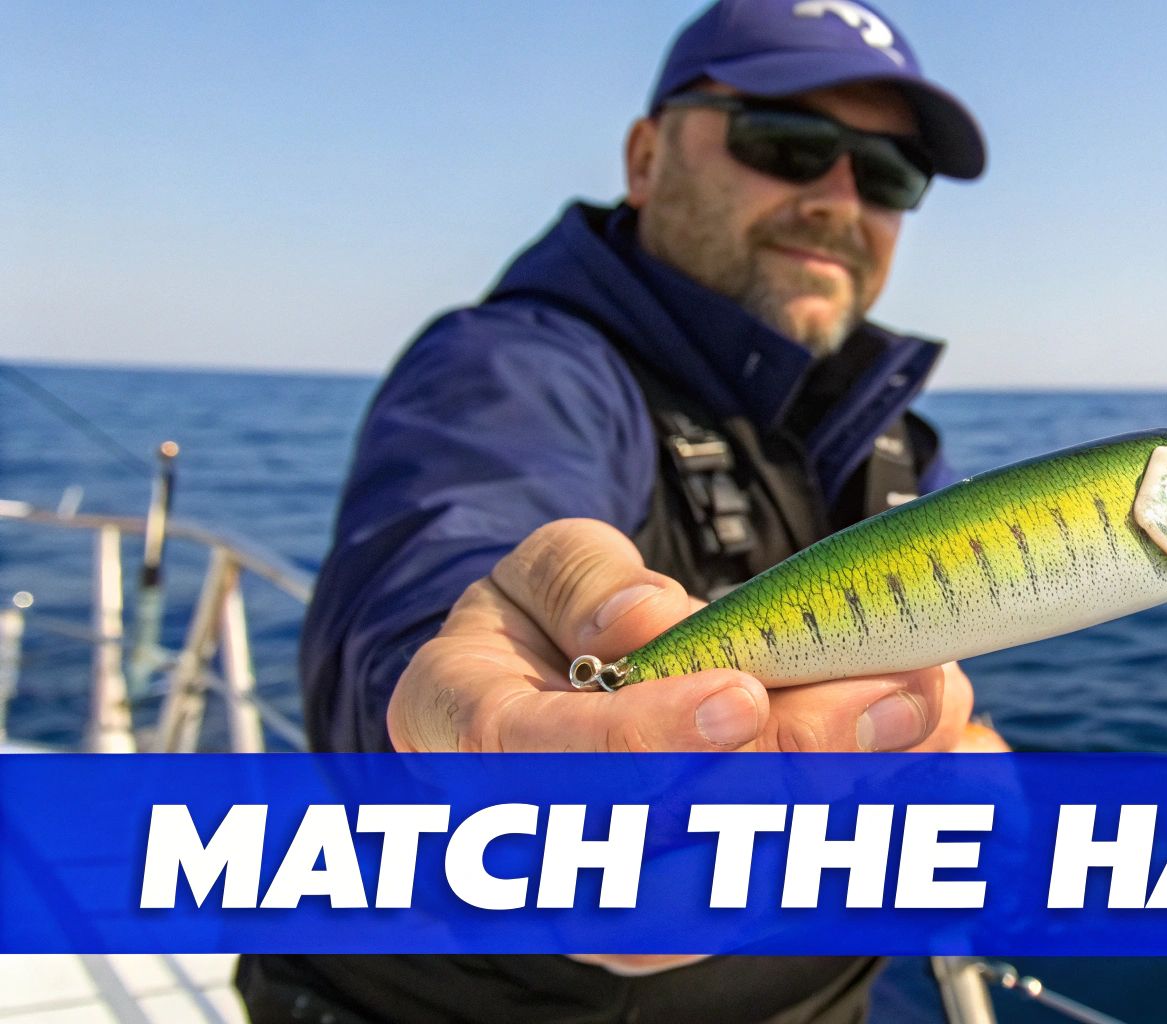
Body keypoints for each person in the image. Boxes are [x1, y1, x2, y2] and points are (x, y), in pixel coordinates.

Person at [235, 0, 1005, 1020]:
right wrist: (461, 713)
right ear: (646, 158)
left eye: (887, 173)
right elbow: (449, 565)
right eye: (786, 141)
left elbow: (935, 713)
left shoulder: (898, 442)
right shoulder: (516, 368)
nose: (836, 198)